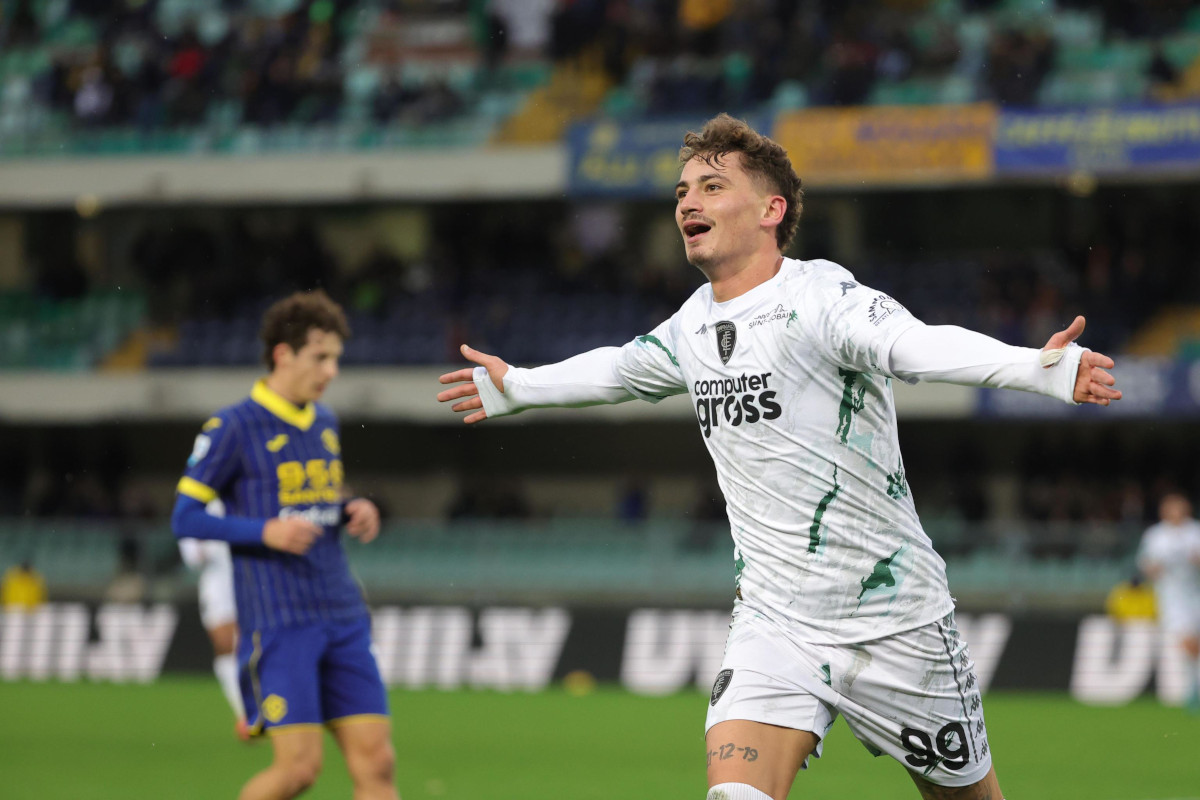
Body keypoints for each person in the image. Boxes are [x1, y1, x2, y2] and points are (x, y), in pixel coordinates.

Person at [438, 113, 1122, 800]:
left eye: (710, 186)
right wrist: (518, 387)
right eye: (681, 193)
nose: (688, 203)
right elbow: (619, 369)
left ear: (773, 210)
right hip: (777, 623)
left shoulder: (824, 299)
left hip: (897, 622)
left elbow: (917, 345)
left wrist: (1035, 369)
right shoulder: (692, 324)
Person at [171, 290, 396, 800]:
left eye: (336, 357)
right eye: (321, 357)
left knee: (378, 765)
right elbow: (184, 517)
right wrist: (262, 531)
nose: (332, 370)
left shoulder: (324, 422)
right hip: (279, 621)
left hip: (342, 612)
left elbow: (314, 497)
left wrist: (350, 509)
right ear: (283, 354)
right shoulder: (232, 426)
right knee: (298, 771)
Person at [178, 502, 250, 740]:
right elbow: (192, 557)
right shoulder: (195, 508)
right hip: (218, 585)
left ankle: (267, 706)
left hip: (250, 578)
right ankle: (244, 713)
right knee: (225, 646)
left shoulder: (244, 496)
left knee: (255, 643)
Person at [1137, 492, 1200, 712]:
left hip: (1195, 592)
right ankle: (1195, 688)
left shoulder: (1195, 531)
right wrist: (1153, 569)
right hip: (1172, 596)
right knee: (1187, 640)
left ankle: (1193, 687)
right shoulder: (1155, 535)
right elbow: (1146, 564)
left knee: (1194, 642)